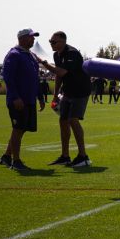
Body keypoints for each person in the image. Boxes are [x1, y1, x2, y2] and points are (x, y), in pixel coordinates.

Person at [38, 30, 92, 168]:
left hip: (80, 91)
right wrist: (55, 95)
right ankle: (65, 156)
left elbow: (62, 71)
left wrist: (45, 64)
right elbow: (59, 76)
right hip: (68, 92)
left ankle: (83, 156)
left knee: (73, 120)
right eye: (50, 41)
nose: (51, 44)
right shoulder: (57, 54)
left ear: (63, 41)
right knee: (63, 121)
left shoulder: (72, 53)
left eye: (54, 42)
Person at [0, 29, 42, 172]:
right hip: (19, 100)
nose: (33, 40)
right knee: (18, 129)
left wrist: (39, 96)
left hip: (29, 99)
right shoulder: (14, 54)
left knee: (21, 130)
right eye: (31, 37)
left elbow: (35, 78)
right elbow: (8, 78)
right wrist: (15, 97)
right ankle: (15, 161)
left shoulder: (30, 55)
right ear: (22, 38)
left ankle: (6, 156)